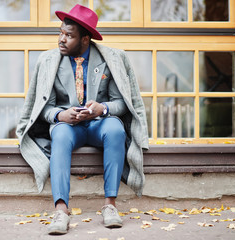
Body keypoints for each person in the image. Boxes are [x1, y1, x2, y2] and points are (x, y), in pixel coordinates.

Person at [16, 4, 149, 235]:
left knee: (116, 129)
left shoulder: (111, 59)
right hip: (70, 127)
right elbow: (43, 108)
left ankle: (110, 206)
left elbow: (121, 103)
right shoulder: (49, 62)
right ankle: (61, 209)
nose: (61, 40)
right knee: (59, 132)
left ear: (85, 39)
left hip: (100, 124)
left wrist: (102, 109)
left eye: (69, 35)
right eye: (60, 33)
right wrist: (60, 115)